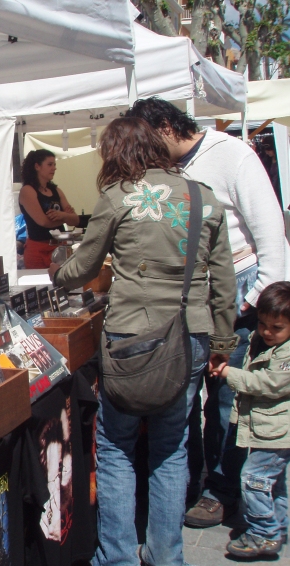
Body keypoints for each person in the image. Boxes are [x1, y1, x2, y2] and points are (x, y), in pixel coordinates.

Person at [48, 117, 237, 566]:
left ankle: (118, 556)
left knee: (116, 445)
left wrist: (58, 273)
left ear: (118, 153)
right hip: (190, 335)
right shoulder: (203, 198)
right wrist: (223, 342)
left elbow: (85, 264)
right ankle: (166, 555)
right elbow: (224, 281)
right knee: (171, 448)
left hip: (132, 336)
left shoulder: (119, 196)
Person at [127, 97, 289, 528]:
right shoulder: (163, 172)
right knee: (181, 396)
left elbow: (271, 235)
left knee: (224, 400)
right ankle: (190, 482)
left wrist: (251, 302)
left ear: (165, 126)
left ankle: (222, 489)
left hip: (238, 293)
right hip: (184, 298)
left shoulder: (232, 155)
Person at [212, 281, 290, 558]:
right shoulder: (264, 341)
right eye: (263, 324)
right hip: (267, 429)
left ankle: (263, 533)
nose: (267, 332)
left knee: (253, 479)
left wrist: (227, 374)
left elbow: (267, 383)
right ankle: (278, 527)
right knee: (274, 483)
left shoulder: (287, 355)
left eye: (276, 328)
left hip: (277, 433)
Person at [18, 149, 89, 268]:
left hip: (59, 248)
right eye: (50, 164)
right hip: (38, 249)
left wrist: (63, 216)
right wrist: (64, 217)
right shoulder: (28, 190)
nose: (54, 168)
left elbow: (75, 220)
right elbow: (43, 221)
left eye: (54, 164)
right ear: (37, 166)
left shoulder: (56, 190)